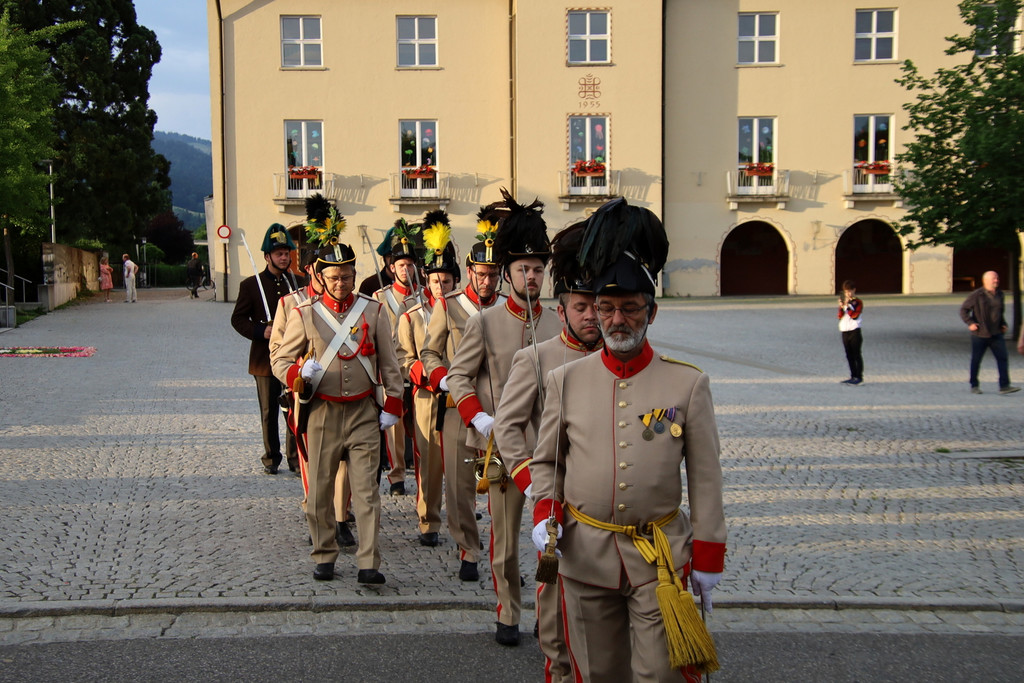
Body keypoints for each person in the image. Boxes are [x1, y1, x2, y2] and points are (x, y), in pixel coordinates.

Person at [530, 197, 726, 682]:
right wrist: (544, 513)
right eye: (607, 308)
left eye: (630, 309)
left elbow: (705, 478)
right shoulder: (565, 381)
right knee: (597, 673)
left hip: (659, 560)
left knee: (660, 675)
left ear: (651, 313)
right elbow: (548, 462)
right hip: (585, 554)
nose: (617, 320)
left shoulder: (688, 384)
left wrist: (708, 554)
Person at [447, 189, 561, 647]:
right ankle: (509, 610)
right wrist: (477, 417)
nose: (531, 277)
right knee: (506, 541)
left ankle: (547, 613)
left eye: (537, 269)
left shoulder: (558, 325)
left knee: (552, 540)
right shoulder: (485, 321)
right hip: (498, 448)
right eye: (522, 269)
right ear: (508, 272)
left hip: (549, 450)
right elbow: (458, 377)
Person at [271, 201, 404, 584]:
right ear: (321, 277)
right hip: (322, 412)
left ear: (353, 274)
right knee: (320, 492)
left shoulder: (372, 311)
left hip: (363, 412)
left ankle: (369, 563)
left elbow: (390, 362)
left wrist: (393, 403)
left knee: (366, 492)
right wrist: (298, 372)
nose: (341, 283)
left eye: (346, 276)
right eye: (334, 277)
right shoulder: (306, 313)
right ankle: (324, 553)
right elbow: (280, 359)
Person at [493, 220, 602, 679]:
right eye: (581, 306)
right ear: (563, 310)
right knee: (554, 602)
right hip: (554, 497)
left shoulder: (614, 359)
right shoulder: (536, 358)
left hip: (602, 504)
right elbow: (507, 426)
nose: (592, 316)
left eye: (598, 305)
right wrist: (530, 482)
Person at [418, 203, 507, 584]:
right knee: (459, 487)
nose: (487, 282)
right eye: (481, 274)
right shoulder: (450, 306)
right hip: (457, 409)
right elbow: (429, 352)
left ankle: (502, 550)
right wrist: (442, 379)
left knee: (503, 485)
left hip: (500, 413)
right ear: (469, 272)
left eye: (493, 274)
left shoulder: (509, 310)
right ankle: (469, 547)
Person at [270, 201, 354, 548]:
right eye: (324, 271)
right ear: (312, 270)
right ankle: (315, 512)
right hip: (307, 394)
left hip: (345, 392)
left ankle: (341, 515)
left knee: (346, 461)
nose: (331, 277)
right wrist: (297, 371)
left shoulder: (352, 304)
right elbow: (277, 352)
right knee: (313, 461)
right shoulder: (290, 304)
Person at [397, 211, 460, 547]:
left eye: (446, 281)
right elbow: (403, 358)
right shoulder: (412, 316)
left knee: (462, 461)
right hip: (427, 397)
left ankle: (462, 517)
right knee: (430, 460)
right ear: (427, 280)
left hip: (461, 396)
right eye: (435, 281)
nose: (440, 287)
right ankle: (429, 520)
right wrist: (424, 372)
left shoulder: (465, 313)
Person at [230, 224, 304, 475]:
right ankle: (271, 457)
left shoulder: (299, 283)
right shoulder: (251, 285)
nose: (284, 258)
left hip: (295, 357)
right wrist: (261, 331)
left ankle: (296, 458)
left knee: (294, 407)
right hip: (264, 359)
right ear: (267, 256)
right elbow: (238, 319)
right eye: (278, 253)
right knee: (269, 410)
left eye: (286, 253)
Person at [373, 219, 424, 496]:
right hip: (391, 368)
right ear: (392, 267)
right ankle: (396, 475)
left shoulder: (425, 297)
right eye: (401, 265)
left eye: (410, 265)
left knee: (419, 424)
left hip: (417, 366)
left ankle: (423, 472)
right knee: (394, 425)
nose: (407, 269)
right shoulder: (379, 297)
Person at [960, 270, 1020, 395]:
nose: (996, 281)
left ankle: (1004, 385)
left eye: (997, 278)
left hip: (996, 334)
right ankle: (974, 385)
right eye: (994, 279)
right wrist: (970, 323)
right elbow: (963, 310)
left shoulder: (1000, 294)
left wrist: (1003, 324)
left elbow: (1000, 312)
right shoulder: (977, 295)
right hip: (980, 334)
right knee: (976, 360)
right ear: (985, 281)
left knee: (1003, 358)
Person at [837, 279, 864, 385]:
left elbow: (854, 315)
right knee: (849, 355)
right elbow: (840, 316)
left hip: (854, 330)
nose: (848, 294)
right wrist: (841, 307)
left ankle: (859, 376)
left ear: (854, 290)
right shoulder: (845, 303)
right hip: (845, 330)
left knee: (856, 354)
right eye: (846, 292)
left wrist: (848, 306)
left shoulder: (858, 302)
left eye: (849, 291)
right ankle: (852, 375)